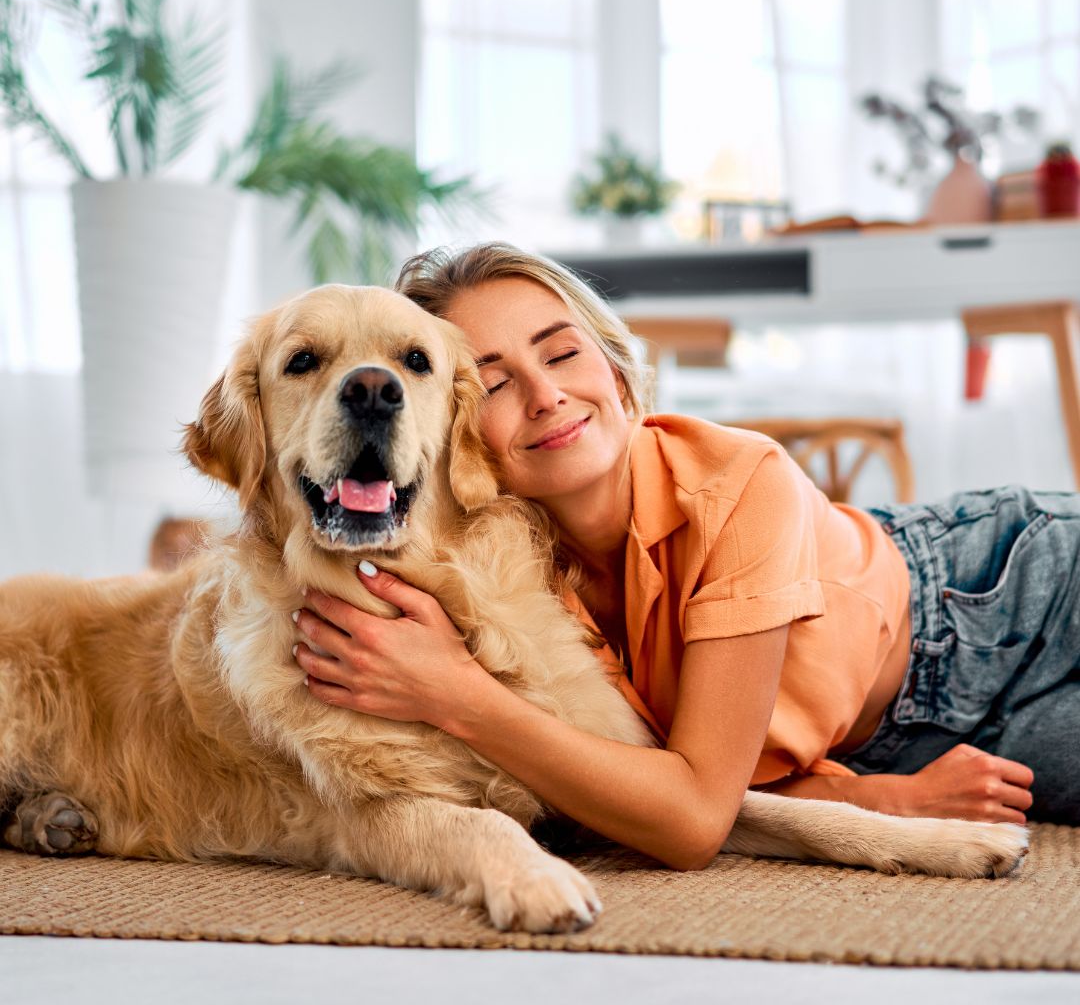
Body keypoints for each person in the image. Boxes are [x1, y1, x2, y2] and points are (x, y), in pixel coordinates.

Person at [290, 242, 1079, 870]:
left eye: (562, 354)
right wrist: (878, 795)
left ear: (617, 371)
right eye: (493, 383)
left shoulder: (740, 482)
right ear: (450, 427)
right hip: (903, 737)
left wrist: (456, 693)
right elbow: (660, 781)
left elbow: (693, 819)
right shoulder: (499, 582)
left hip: (1006, 589)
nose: (545, 396)